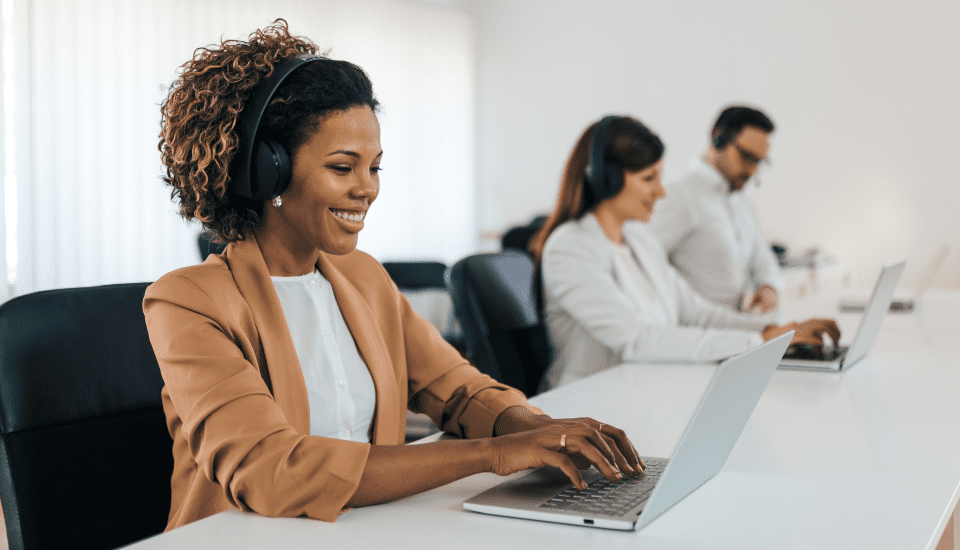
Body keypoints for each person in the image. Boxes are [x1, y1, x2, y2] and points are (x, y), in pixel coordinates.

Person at [146, 21, 644, 531]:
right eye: (343, 168)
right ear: (269, 172)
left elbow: (459, 389)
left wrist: (540, 431)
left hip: (365, 532)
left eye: (375, 168)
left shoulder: (361, 277)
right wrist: (493, 454)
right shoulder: (188, 301)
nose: (368, 190)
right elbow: (274, 471)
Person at [528, 116, 839, 391]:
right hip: (586, 407)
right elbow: (636, 339)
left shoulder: (638, 240)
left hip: (643, 390)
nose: (661, 192)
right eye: (649, 179)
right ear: (606, 179)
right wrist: (758, 343)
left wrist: (774, 329)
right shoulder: (569, 248)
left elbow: (695, 311)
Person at [647, 106, 783, 313]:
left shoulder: (742, 204)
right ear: (718, 139)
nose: (753, 171)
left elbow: (762, 258)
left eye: (759, 161)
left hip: (737, 329)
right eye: (747, 157)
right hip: (697, 333)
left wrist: (768, 286)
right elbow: (641, 262)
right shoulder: (679, 195)